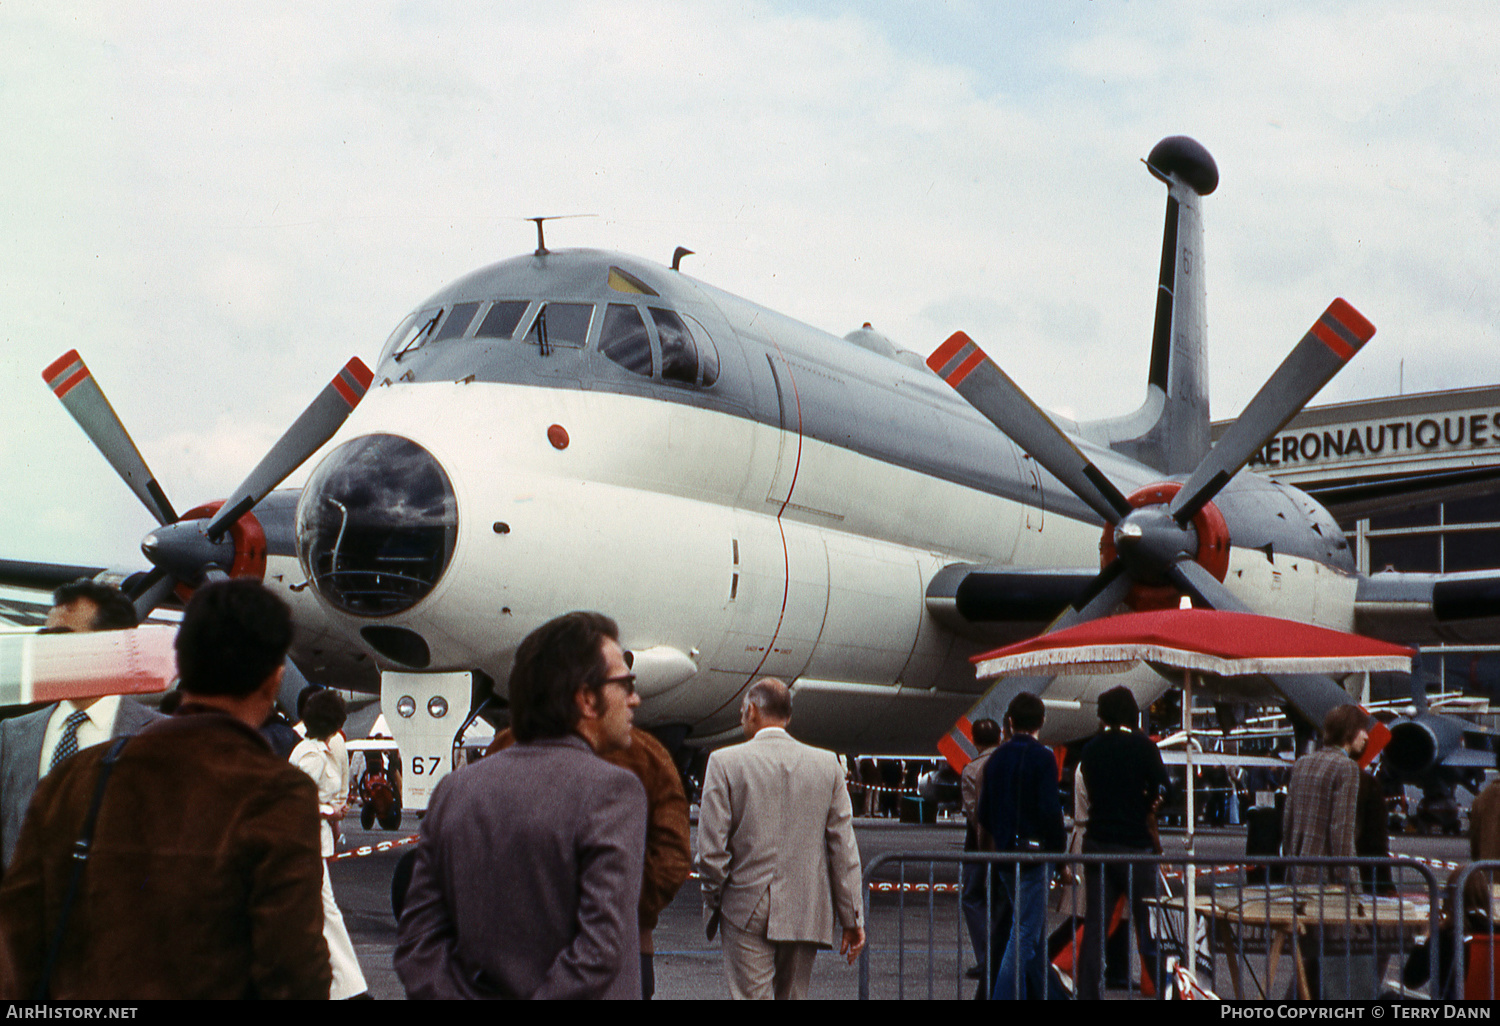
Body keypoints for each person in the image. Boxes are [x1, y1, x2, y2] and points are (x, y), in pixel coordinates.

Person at [0, 578, 330, 999]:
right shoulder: (278, 795)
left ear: (183, 666)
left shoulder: (75, 776)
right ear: (274, 681)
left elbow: (16, 942)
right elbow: (294, 973)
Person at [395, 611, 647, 999]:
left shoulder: (454, 789)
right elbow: (599, 950)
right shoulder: (612, 791)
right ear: (586, 698)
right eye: (625, 683)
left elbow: (418, 943)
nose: (635, 698)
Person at [484, 723, 692, 999]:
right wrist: (622, 903)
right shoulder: (645, 751)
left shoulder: (508, 744)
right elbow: (672, 851)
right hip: (621, 947)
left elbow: (478, 843)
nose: (633, 699)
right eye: (623, 687)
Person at [696, 677, 865, 1000]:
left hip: (744, 903)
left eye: (742, 711)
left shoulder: (723, 762)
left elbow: (711, 851)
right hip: (806, 907)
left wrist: (715, 896)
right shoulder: (827, 764)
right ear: (788, 715)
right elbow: (843, 848)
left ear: (753, 711)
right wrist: (852, 915)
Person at [0, 579, 160, 871]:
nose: (47, 648)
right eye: (44, 636)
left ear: (113, 644)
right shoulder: (12, 735)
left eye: (62, 636)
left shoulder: (160, 736)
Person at [1076, 685, 1170, 1000]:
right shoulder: (1144, 748)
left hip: (1098, 841)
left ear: (1102, 714)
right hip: (1135, 844)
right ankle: (1160, 988)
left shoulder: (1090, 749)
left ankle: (1088, 992)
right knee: (1147, 927)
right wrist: (1149, 803)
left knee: (1095, 928)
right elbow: (1166, 789)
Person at [977, 692, 1066, 1001]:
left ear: (1010, 722)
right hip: (1035, 855)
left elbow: (984, 813)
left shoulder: (996, 758)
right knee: (1024, 935)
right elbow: (1049, 810)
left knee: (1031, 933)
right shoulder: (1043, 757)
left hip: (1004, 856)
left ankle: (1050, 995)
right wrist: (1061, 855)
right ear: (1042, 721)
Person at [291, 689, 369, 1000]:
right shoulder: (312, 756)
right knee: (328, 913)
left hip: (310, 842)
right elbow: (298, 798)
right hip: (310, 842)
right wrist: (330, 811)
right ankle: (349, 988)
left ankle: (339, 986)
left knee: (320, 913)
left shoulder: (308, 750)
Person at [1283, 704, 1368, 885]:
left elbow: (1288, 821)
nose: (1366, 737)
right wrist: (1349, 879)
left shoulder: (1302, 763)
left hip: (1297, 870)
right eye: (1362, 730)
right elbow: (1342, 829)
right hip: (1327, 876)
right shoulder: (1347, 768)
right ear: (1349, 732)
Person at [960, 718, 1008, 983]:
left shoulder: (972, 769)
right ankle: (1002, 953)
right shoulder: (1007, 762)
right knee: (1003, 897)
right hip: (1008, 841)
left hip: (979, 843)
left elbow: (974, 813)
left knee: (971, 896)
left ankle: (986, 956)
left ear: (974, 740)